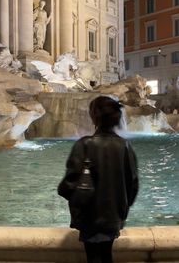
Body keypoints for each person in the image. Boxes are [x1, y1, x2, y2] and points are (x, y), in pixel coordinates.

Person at [58, 95, 139, 263]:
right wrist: (120, 209)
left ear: (95, 116)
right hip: (113, 218)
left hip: (89, 217)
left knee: (93, 257)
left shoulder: (84, 145)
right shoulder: (125, 146)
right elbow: (133, 185)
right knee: (106, 255)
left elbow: (67, 186)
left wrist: (78, 201)